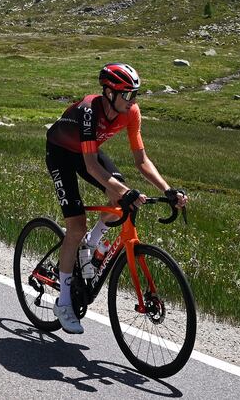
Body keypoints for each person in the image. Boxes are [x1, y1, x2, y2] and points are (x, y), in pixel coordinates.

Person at [44, 63, 187, 334]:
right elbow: (89, 165)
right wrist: (124, 192)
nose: (132, 100)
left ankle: (92, 241)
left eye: (135, 94)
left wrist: (168, 189)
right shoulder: (88, 110)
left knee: (120, 194)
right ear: (109, 93)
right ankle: (63, 302)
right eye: (127, 94)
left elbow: (141, 159)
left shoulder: (131, 112)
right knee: (76, 225)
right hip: (61, 153)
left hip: (88, 151)